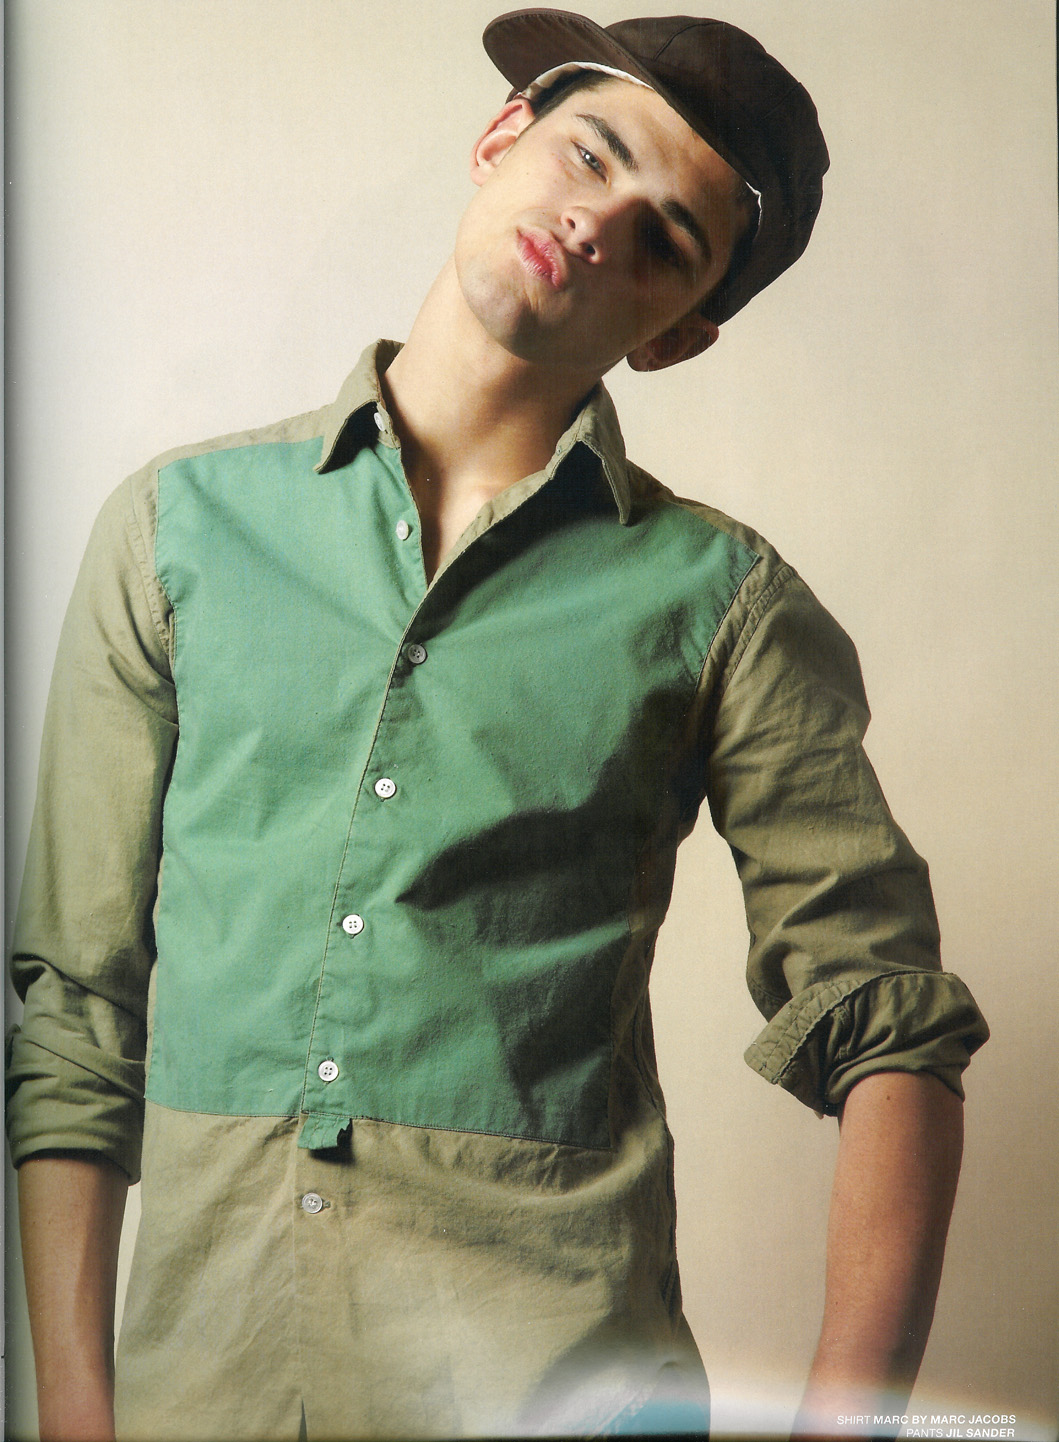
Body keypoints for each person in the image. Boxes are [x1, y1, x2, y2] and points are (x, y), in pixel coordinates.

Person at [7, 10, 989, 1441]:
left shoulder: (722, 604)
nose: (598, 223)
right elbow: (74, 1006)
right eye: (592, 154)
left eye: (664, 239)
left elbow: (890, 1017)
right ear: (501, 136)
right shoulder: (177, 530)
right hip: (202, 1398)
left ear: (680, 334)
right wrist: (75, 1408)